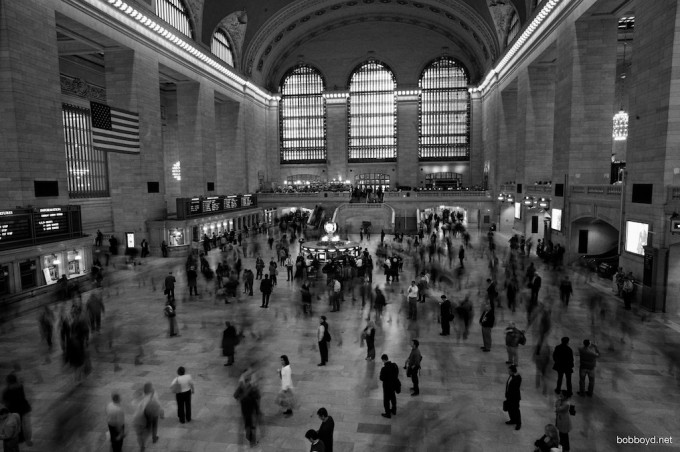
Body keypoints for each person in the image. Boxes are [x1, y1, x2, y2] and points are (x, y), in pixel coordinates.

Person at [233, 367, 261, 447]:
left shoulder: (241, 386)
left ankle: (249, 437)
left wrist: (240, 398)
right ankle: (252, 440)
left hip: (244, 408)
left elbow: (235, 395)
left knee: (247, 423)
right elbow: (258, 396)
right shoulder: (252, 386)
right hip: (251, 408)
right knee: (251, 424)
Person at [2, 374, 31, 446]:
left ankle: (19, 438)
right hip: (22, 408)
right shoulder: (20, 387)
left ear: (8, 382)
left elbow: (4, 402)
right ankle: (24, 439)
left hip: (13, 409)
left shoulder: (6, 391)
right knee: (22, 423)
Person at [379, 354, 399, 418]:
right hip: (393, 386)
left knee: (386, 401)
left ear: (383, 360)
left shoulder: (384, 369)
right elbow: (397, 373)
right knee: (393, 398)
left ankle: (388, 414)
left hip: (387, 387)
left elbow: (381, 378)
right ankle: (394, 410)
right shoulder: (394, 365)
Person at [504, 365, 522, 430]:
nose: (508, 372)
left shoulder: (517, 378)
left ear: (512, 371)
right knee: (510, 409)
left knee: (516, 410)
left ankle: (518, 423)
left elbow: (515, 389)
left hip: (515, 398)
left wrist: (510, 396)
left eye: (509, 371)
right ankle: (512, 420)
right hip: (509, 397)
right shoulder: (511, 376)